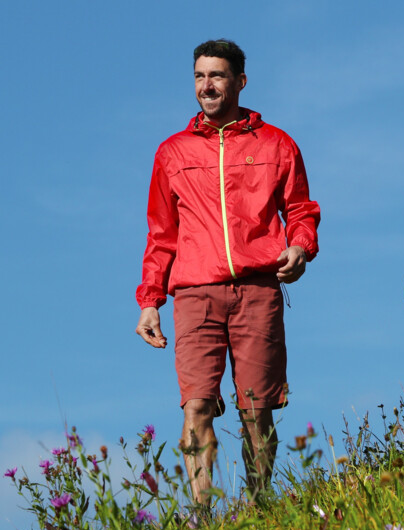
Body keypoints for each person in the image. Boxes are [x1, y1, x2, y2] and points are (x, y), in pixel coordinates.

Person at [135, 39, 321, 504]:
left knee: (256, 409)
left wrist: (300, 247)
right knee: (196, 404)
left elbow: (301, 209)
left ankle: (258, 503)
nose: (206, 85)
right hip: (195, 291)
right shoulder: (171, 153)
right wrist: (149, 301)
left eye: (216, 76)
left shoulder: (277, 144)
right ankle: (201, 514)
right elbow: (161, 234)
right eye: (199, 76)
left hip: (259, 289)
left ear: (240, 81)